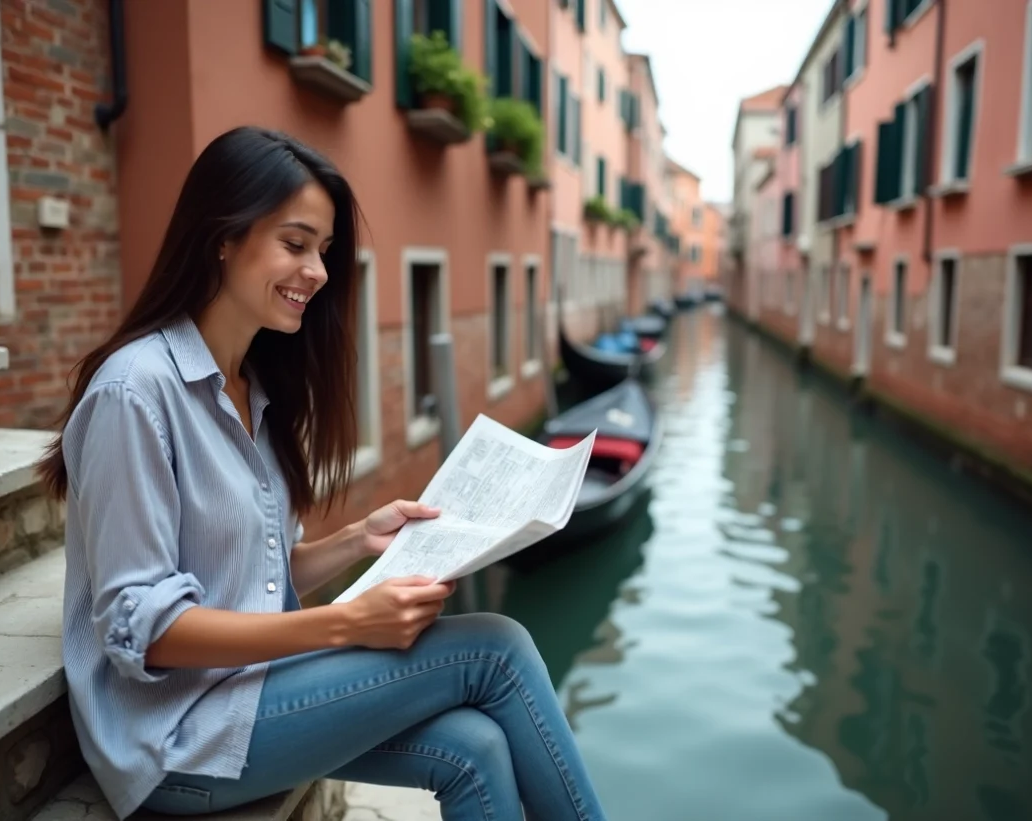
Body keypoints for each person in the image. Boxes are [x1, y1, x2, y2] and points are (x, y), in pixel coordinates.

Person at [37, 126, 607, 821]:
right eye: (296, 243)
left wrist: (357, 540)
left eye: (324, 251)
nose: (319, 272)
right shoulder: (135, 392)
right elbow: (145, 629)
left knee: (476, 748)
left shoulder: (253, 387)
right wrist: (344, 624)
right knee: (498, 648)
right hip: (174, 738)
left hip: (250, 693)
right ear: (224, 235)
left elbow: (247, 577)